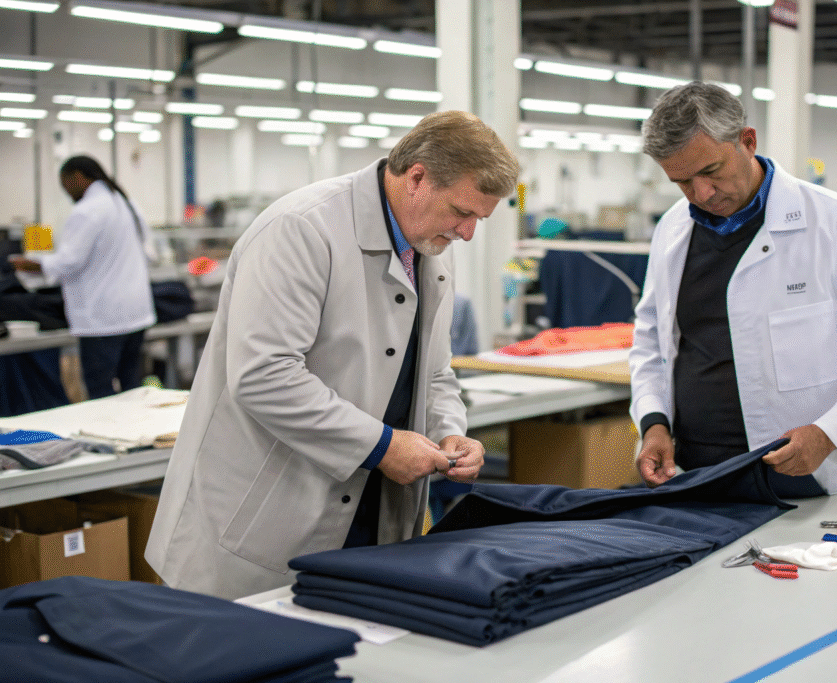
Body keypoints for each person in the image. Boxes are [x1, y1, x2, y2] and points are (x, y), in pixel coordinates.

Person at [146, 110, 520, 600]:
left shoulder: (426, 250)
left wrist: (450, 432)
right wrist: (383, 447)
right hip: (268, 515)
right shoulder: (301, 229)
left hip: (369, 510)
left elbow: (433, 373)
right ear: (417, 178)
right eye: (461, 212)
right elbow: (264, 374)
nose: (467, 233)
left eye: (478, 220)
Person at [629, 82, 837, 496]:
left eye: (711, 171)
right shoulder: (674, 228)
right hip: (695, 477)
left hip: (812, 482)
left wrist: (830, 434)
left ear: (747, 141)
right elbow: (651, 340)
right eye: (683, 182)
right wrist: (654, 422)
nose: (701, 193)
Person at [9, 156, 156, 400]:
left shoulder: (87, 211)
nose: (66, 191)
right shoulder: (126, 203)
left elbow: (68, 262)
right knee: (131, 387)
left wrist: (32, 263)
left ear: (77, 177)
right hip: (136, 314)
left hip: (104, 319)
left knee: (101, 392)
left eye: (65, 183)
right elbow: (149, 253)